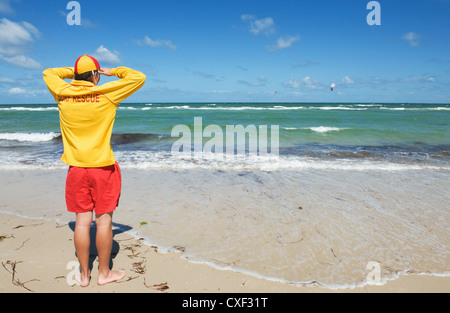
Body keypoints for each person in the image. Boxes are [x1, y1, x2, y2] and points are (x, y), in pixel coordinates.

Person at [43, 55, 146, 286]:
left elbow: (48, 72)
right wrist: (110, 71)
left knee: (81, 222)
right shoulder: (106, 93)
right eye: (97, 73)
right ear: (95, 76)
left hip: (77, 169)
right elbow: (139, 77)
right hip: (102, 169)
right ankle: (104, 273)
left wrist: (76, 73)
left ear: (78, 75)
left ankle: (84, 275)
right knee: (103, 221)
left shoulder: (62, 93)